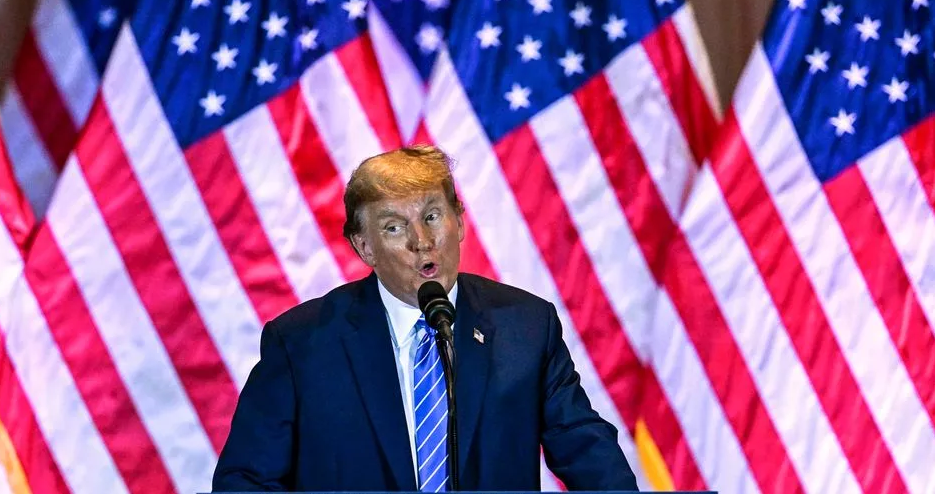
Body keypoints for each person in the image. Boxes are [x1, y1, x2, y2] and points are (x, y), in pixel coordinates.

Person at [212, 145, 638, 491]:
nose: (422, 241)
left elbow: (587, 451)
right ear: (365, 247)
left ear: (459, 222)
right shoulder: (302, 344)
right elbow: (246, 480)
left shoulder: (525, 327)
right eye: (395, 227)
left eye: (432, 217)